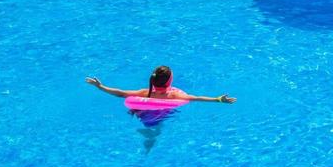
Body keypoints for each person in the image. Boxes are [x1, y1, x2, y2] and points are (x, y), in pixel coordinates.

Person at [85, 65, 235, 104]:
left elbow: (120, 92)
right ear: (170, 81)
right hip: (160, 116)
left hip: (143, 114)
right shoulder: (175, 95)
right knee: (155, 133)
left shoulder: (145, 93)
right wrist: (218, 99)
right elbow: (197, 98)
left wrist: (101, 86)